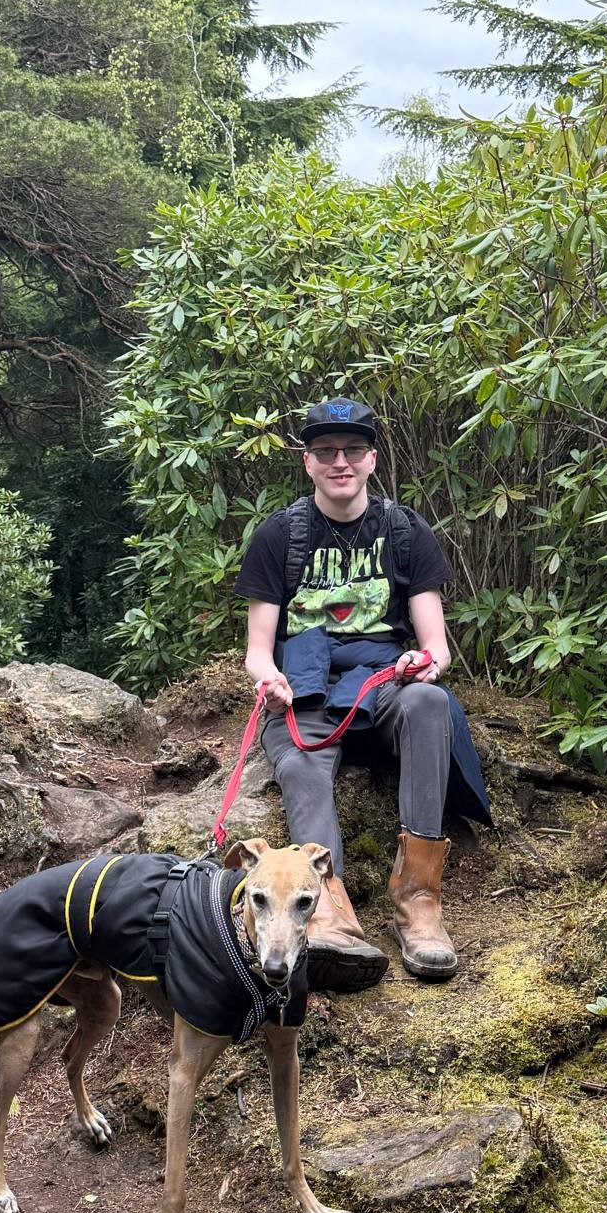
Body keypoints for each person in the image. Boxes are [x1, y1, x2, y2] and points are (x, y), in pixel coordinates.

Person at [235, 397, 492, 991]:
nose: (340, 462)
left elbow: (437, 646)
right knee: (301, 764)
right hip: (305, 690)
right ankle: (327, 912)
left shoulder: (404, 531)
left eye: (352, 450)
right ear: (308, 463)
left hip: (383, 688)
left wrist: (422, 662)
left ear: (372, 458)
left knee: (430, 702)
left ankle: (418, 898)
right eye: (326, 451)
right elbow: (258, 649)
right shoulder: (280, 535)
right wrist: (268, 679)